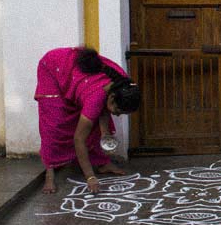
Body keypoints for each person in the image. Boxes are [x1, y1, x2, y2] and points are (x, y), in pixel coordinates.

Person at [34, 46, 141, 194]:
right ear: (111, 97)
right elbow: (79, 139)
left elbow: (103, 108)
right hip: (54, 67)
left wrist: (104, 132)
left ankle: (101, 163)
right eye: (117, 111)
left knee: (95, 123)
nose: (117, 115)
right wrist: (90, 177)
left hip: (76, 72)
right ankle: (50, 171)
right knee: (54, 123)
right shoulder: (95, 98)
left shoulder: (123, 84)